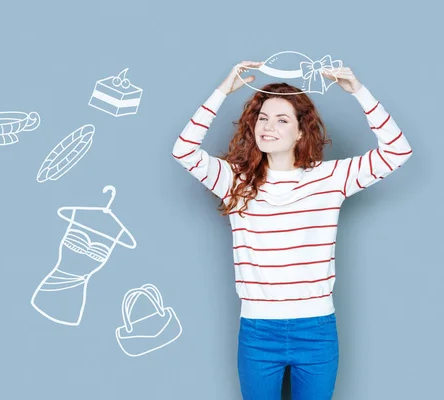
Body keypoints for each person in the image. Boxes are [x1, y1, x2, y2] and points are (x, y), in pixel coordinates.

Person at [171, 60, 413, 400]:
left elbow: (397, 151)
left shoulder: (330, 179)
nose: (268, 127)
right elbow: (183, 151)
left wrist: (358, 91)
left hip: (316, 330)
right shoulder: (235, 181)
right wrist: (222, 90)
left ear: (302, 131)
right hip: (257, 333)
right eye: (263, 118)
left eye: (282, 119)